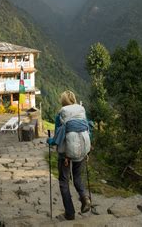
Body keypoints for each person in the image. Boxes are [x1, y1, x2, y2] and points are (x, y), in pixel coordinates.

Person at [47, 90, 92, 221]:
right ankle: (85, 198)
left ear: (63, 101)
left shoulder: (60, 115)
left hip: (65, 154)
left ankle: (70, 213)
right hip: (82, 151)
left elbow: (57, 137)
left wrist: (49, 141)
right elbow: (88, 130)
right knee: (77, 178)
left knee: (64, 182)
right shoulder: (81, 112)